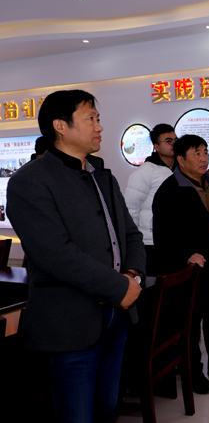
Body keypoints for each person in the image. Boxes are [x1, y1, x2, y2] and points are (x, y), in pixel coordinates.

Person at [7, 89, 145, 423]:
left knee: (106, 407)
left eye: (98, 118)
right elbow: (56, 254)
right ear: (61, 126)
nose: (99, 126)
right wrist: (119, 287)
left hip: (116, 316)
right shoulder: (30, 181)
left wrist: (132, 276)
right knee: (75, 415)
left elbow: (131, 235)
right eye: (91, 118)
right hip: (70, 321)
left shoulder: (102, 176)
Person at [152, 135, 209, 396]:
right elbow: (163, 235)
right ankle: (192, 374)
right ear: (181, 160)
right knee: (191, 327)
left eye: (205, 152)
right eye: (197, 153)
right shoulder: (170, 191)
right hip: (192, 271)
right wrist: (187, 254)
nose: (204, 158)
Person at [124, 123, 178, 272]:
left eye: (176, 140)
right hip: (150, 242)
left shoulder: (178, 170)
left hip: (172, 240)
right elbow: (130, 209)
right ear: (156, 146)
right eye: (168, 141)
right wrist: (134, 242)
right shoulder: (147, 170)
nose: (173, 144)